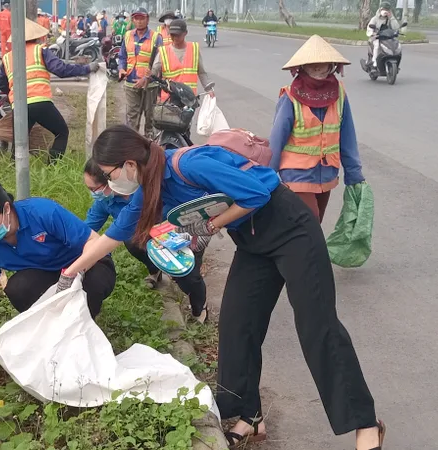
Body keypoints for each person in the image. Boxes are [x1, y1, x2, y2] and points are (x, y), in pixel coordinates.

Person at [60, 125, 385, 450]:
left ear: (129, 163)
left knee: (317, 325)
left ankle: (365, 424)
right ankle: (250, 416)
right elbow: (113, 236)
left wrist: (208, 226)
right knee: (236, 324)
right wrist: (70, 272)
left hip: (290, 228)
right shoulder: (149, 188)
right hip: (252, 241)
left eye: (110, 175)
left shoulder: (188, 165)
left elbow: (256, 194)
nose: (110, 184)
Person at [0, 176, 117, 345]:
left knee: (93, 283)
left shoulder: (42, 212)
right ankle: (54, 330)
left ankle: (83, 330)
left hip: (88, 265)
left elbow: (93, 242)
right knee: (18, 288)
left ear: (6, 208)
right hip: (46, 274)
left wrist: (72, 273)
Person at [83, 159, 212, 321]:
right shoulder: (105, 201)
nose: (93, 194)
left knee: (187, 277)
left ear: (111, 179)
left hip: (181, 233)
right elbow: (86, 230)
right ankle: (155, 269)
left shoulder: (148, 188)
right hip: (149, 236)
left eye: (93, 189)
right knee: (132, 240)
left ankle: (199, 308)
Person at [269, 35, 365, 222]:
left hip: (326, 175)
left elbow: (347, 136)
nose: (317, 68)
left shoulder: (339, 94)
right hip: (296, 175)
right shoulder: (290, 97)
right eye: (312, 64)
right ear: (302, 67)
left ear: (332, 66)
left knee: (315, 224)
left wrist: (354, 173)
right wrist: (267, 176)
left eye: (323, 64)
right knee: (310, 223)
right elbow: (276, 139)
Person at [0, 19, 99, 161]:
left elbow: (2, 84)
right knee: (61, 132)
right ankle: (52, 166)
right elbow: (61, 70)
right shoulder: (40, 51)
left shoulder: (7, 58)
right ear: (36, 37)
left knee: (18, 141)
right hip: (40, 102)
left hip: (19, 105)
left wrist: (12, 96)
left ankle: (14, 170)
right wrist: (86, 68)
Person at [117, 8, 163, 137]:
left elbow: (160, 62)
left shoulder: (156, 37)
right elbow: (122, 56)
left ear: (147, 19)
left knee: (150, 117)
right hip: (130, 83)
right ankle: (132, 143)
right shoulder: (128, 35)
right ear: (133, 20)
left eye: (142, 18)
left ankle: (150, 143)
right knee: (132, 118)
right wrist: (121, 69)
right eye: (136, 18)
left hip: (150, 85)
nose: (139, 21)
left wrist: (147, 78)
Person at [151, 19, 213, 103]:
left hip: (189, 99)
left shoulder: (193, 49)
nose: (175, 38)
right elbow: (154, 72)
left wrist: (209, 89)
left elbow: (201, 72)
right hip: (169, 99)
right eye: (172, 35)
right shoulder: (163, 52)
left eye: (178, 35)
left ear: (185, 33)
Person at [366, 2, 400, 70]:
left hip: (387, 37)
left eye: (387, 10)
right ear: (380, 9)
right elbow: (369, 28)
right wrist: (372, 33)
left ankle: (395, 60)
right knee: (377, 45)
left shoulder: (390, 19)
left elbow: (396, 27)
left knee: (396, 44)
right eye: (384, 9)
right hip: (377, 37)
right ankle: (374, 61)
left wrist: (391, 17)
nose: (385, 11)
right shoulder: (375, 19)